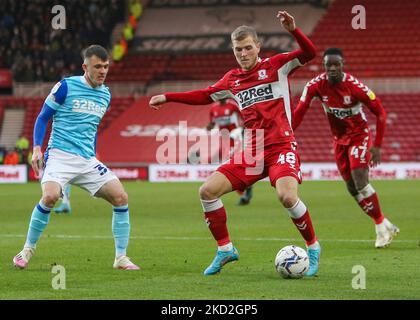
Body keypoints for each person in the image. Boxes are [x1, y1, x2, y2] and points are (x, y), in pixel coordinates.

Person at [149, 11, 321, 276]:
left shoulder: (277, 66)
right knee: (207, 191)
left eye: (248, 47)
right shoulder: (232, 80)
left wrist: (294, 31)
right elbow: (204, 95)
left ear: (258, 47)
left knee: (287, 196)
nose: (243, 53)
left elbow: (310, 54)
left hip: (281, 146)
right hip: (252, 150)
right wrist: (168, 96)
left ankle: (313, 247)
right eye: (238, 49)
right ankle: (225, 249)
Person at [13, 45, 139, 270]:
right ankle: (26, 250)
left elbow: (89, 129)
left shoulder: (105, 95)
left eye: (106, 66)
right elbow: (42, 118)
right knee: (50, 196)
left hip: (87, 160)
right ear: (85, 67)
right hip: (60, 156)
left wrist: (93, 156)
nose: (103, 71)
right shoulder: (65, 86)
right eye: (97, 66)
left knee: (120, 197)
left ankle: (121, 258)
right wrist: (37, 149)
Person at [293, 47, 399, 248]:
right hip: (339, 140)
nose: (332, 68)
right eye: (328, 65)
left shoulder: (355, 87)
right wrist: (288, 132)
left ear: (343, 65)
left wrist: (377, 146)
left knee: (360, 181)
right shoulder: (315, 86)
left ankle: (380, 228)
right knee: (351, 188)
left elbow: (381, 113)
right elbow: (300, 111)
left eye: (336, 65)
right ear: (324, 66)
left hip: (359, 136)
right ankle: (384, 223)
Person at [207, 98, 253, 205]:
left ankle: (246, 189)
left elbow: (244, 118)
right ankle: (245, 192)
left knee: (234, 165)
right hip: (224, 139)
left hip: (235, 137)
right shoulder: (213, 109)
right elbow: (212, 123)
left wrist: (244, 130)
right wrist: (209, 126)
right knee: (231, 168)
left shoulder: (232, 106)